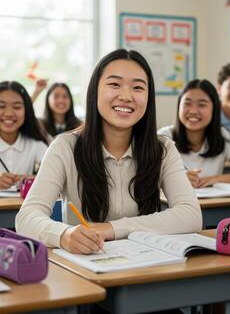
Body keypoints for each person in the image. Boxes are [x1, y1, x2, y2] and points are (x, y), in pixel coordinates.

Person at [16, 49, 202, 255]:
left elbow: (191, 214)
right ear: (95, 90)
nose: (126, 96)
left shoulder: (162, 149)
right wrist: (64, 235)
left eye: (138, 87)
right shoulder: (65, 146)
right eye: (114, 84)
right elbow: (27, 217)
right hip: (87, 268)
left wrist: (112, 229)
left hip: (147, 263)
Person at [158, 79, 230, 189]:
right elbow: (144, 175)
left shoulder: (223, 136)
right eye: (187, 103)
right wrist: (176, 178)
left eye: (202, 105)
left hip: (212, 204)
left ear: (214, 109)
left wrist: (214, 179)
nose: (193, 111)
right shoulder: (164, 137)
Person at [0, 81, 48, 190]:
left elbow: (58, 176)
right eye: (1, 106)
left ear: (27, 111)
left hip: (24, 207)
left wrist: (28, 179)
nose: (8, 113)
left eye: (17, 107)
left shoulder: (35, 145)